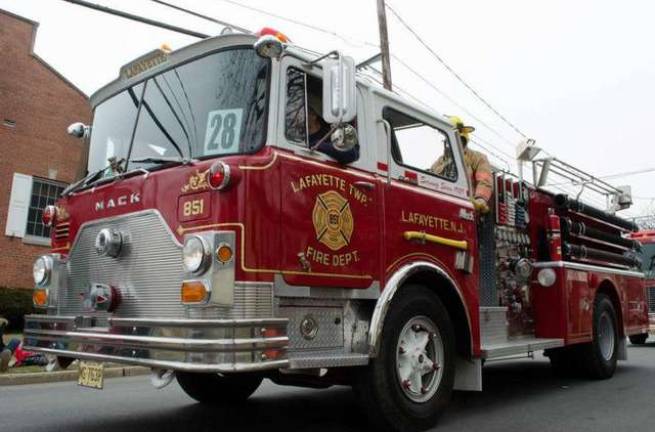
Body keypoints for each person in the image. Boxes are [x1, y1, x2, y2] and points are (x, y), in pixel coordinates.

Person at [431, 116, 493, 213]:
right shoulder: (440, 162)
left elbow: (484, 181)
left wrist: (480, 199)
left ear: (463, 139)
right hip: (441, 207)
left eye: (459, 140)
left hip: (465, 209)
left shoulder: (477, 158)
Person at [307, 95, 359, 164]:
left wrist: (318, 145)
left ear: (313, 115)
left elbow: (351, 154)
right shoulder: (296, 134)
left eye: (302, 111)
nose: (297, 115)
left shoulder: (331, 134)